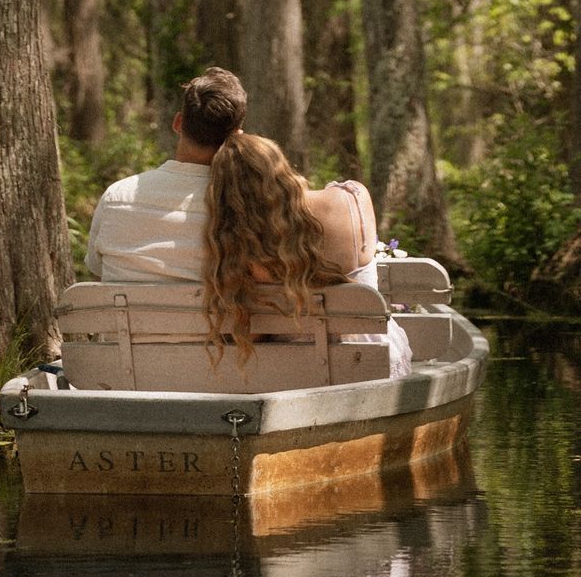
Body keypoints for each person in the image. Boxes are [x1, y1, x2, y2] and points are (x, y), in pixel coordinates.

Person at [203, 133, 412, 378]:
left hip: (300, 373)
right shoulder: (351, 197)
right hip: (375, 360)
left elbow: (255, 334)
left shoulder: (244, 251)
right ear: (280, 165)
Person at [85, 67, 247, 282]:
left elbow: (97, 273)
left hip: (125, 316)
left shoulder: (117, 196)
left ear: (178, 123)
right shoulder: (248, 207)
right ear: (237, 136)